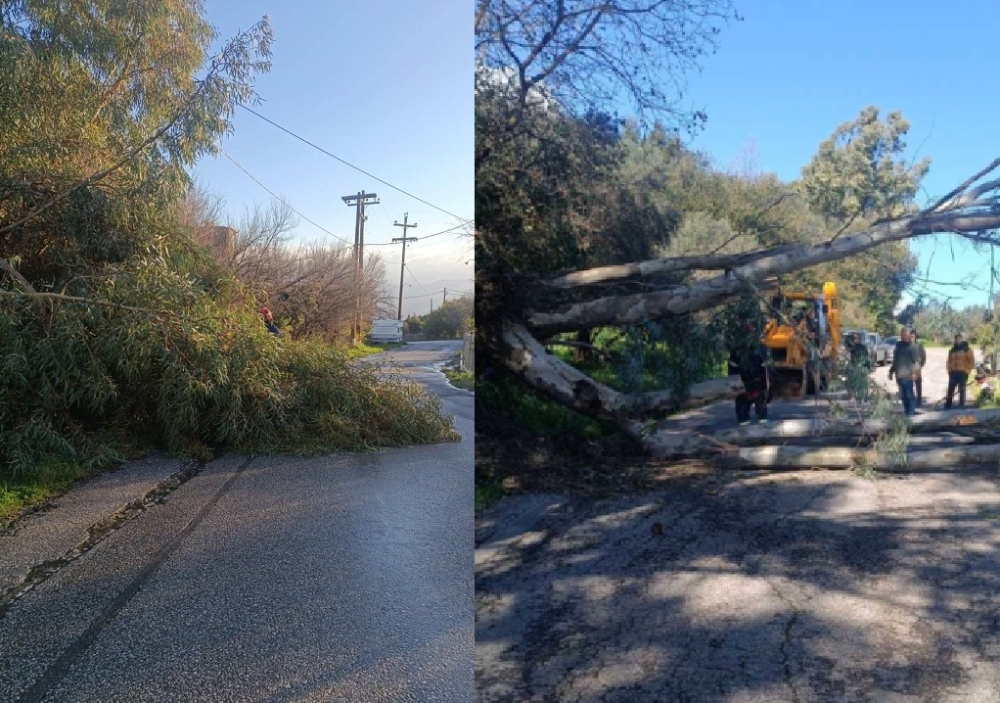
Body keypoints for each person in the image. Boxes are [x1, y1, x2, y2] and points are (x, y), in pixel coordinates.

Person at [729, 329, 771, 426]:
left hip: (743, 384)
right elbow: (767, 370)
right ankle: (762, 427)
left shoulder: (736, 350)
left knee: (743, 410)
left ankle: (745, 427)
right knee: (760, 409)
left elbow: (732, 371)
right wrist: (766, 384)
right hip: (757, 383)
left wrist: (735, 384)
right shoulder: (762, 348)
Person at [888, 327, 921, 416]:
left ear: (909, 335)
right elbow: (895, 360)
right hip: (899, 376)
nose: (903, 336)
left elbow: (917, 362)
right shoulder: (898, 345)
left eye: (905, 334)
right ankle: (907, 413)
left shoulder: (913, 347)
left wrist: (915, 373)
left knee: (910, 396)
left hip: (908, 375)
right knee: (903, 396)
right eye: (902, 334)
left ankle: (911, 414)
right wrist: (891, 371)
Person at [945, 332, 975, 409]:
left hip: (962, 372)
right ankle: (948, 404)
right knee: (950, 389)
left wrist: (967, 371)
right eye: (956, 339)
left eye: (959, 339)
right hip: (953, 372)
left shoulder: (967, 349)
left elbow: (971, 362)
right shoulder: (952, 350)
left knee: (961, 389)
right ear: (955, 340)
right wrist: (949, 370)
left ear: (962, 339)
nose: (958, 340)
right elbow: (948, 361)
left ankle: (961, 405)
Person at [911, 330, 927, 407]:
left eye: (913, 335)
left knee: (918, 385)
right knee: (909, 385)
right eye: (911, 335)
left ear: (915, 336)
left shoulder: (919, 345)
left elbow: (923, 356)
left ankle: (919, 401)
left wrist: (921, 365)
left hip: (917, 367)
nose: (912, 337)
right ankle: (911, 401)